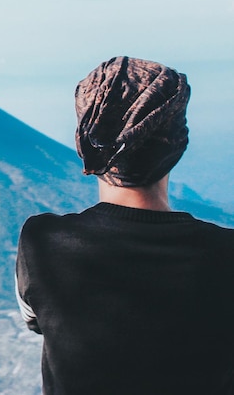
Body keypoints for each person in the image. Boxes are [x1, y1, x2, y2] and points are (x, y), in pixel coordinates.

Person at [15, 56, 234, 395]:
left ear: (86, 142)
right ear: (176, 145)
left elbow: (37, 321)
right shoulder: (226, 254)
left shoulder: (42, 244)